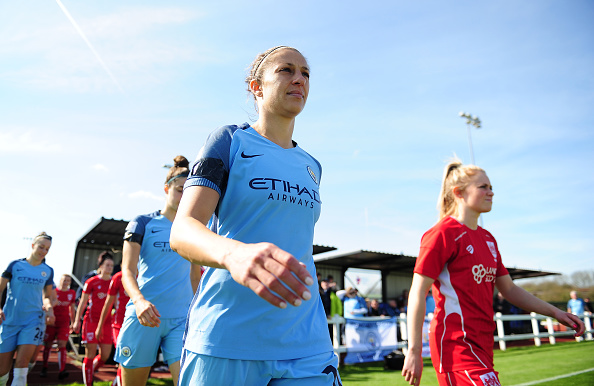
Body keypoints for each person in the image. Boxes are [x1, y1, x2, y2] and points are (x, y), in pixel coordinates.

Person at [170, 46, 341, 385]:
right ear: (257, 87)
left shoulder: (312, 165)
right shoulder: (229, 140)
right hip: (228, 337)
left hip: (306, 340)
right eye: (286, 70)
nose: (299, 79)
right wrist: (235, 253)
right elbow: (183, 230)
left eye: (306, 73)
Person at [401, 160, 585, 386]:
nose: (491, 192)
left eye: (491, 187)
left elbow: (509, 289)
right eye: (483, 187)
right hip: (456, 347)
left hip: (483, 346)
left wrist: (555, 313)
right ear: (459, 192)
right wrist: (413, 350)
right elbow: (418, 291)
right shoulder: (442, 234)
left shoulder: (488, 239)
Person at [114, 156, 199, 386]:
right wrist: (140, 301)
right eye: (180, 190)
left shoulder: (194, 227)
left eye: (189, 192)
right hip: (144, 316)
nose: (184, 197)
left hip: (181, 320)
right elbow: (127, 270)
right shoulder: (142, 223)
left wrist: (196, 310)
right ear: (166, 188)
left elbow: (194, 274)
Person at [0, 232, 56, 386]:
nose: (43, 251)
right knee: (2, 372)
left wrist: (49, 309)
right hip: (9, 320)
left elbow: (47, 296)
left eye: (47, 249)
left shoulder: (48, 271)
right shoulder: (15, 265)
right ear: (32, 246)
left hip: (33, 321)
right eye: (41, 247)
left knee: (22, 363)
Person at [72, 253, 114, 386]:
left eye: (111, 266)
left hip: (108, 323)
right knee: (90, 353)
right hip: (91, 321)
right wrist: (76, 320)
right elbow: (83, 302)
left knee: (105, 356)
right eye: (107, 265)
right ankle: (88, 382)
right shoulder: (92, 281)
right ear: (100, 266)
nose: (109, 268)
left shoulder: (114, 282)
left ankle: (90, 370)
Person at [96, 270, 130, 386]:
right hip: (118, 324)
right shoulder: (118, 277)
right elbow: (108, 303)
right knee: (123, 355)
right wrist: (100, 326)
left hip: (135, 324)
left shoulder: (143, 275)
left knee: (128, 359)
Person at [41, 274, 75, 380]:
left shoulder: (72, 293)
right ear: (60, 280)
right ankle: (44, 367)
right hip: (52, 322)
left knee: (61, 344)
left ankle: (62, 370)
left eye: (68, 281)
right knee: (48, 344)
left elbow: (72, 308)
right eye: (64, 280)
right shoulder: (54, 292)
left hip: (64, 323)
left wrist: (73, 322)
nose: (66, 282)